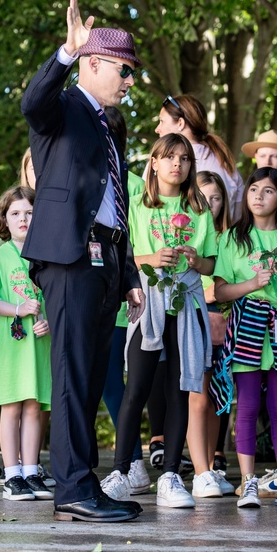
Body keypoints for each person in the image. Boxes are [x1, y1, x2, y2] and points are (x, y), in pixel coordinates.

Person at [20, 0, 145, 523]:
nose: (129, 81)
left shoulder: (107, 125)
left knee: (91, 375)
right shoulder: (65, 106)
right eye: (124, 70)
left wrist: (131, 273)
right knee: (72, 373)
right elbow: (33, 102)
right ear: (93, 63)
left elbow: (115, 202)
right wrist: (65, 53)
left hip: (107, 258)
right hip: (69, 256)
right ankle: (71, 487)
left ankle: (82, 482)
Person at [99, 134, 216, 509]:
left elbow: (212, 263)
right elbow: (123, 258)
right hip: (148, 301)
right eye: (168, 157)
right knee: (138, 387)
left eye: (183, 158)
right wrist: (152, 258)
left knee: (180, 387)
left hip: (186, 301)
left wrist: (196, 261)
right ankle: (121, 472)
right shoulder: (135, 205)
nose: (176, 165)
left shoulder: (200, 209)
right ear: (153, 162)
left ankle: (170, 476)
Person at [209, 167, 277, 509]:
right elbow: (220, 290)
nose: (258, 196)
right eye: (253, 189)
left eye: (267, 191)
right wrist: (252, 285)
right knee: (248, 407)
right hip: (247, 323)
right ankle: (247, 482)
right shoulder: (231, 238)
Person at [0, 186, 54, 502]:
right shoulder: (0, 257)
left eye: (30, 213)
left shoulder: (48, 254)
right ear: (4, 220)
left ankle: (32, 471)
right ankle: (12, 476)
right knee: (12, 406)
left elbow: (54, 298)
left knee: (34, 405)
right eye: (15, 213)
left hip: (40, 343)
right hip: (10, 343)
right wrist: (17, 309)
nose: (23, 219)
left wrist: (49, 320)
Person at [99, 106, 151, 496]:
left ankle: (134, 462)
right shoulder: (101, 181)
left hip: (129, 298)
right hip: (106, 292)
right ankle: (130, 461)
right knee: (110, 383)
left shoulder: (133, 186)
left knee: (120, 385)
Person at [192, 170, 234, 492]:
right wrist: (210, 296)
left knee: (219, 397)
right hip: (197, 317)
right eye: (204, 197)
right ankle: (200, 469)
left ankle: (211, 466)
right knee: (200, 398)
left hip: (227, 321)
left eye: (216, 198)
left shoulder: (230, 237)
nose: (211, 204)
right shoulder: (189, 232)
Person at [155, 94, 244, 217]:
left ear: (180, 123)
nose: (157, 129)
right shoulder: (226, 162)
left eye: (162, 121)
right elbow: (238, 219)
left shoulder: (162, 161)